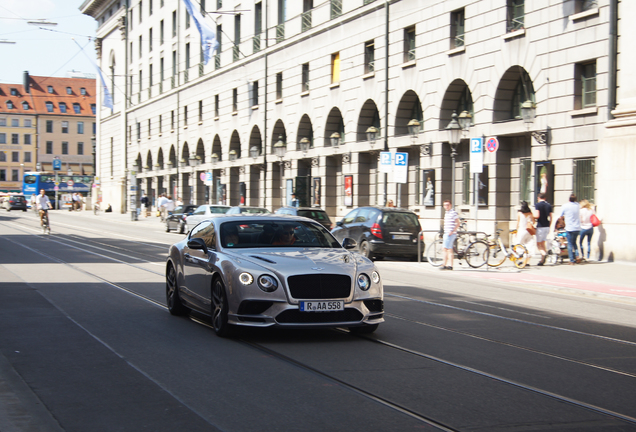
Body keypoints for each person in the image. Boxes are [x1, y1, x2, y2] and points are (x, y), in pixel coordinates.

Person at [559, 194, 582, 265]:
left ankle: (571, 260)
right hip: (577, 227)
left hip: (569, 227)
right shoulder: (578, 205)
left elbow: (561, 215)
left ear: (569, 199)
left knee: (569, 243)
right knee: (575, 243)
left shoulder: (565, 206)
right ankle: (577, 256)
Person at [534, 193, 553, 266]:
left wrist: (532, 217)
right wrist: (550, 225)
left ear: (538, 198)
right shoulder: (548, 205)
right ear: (545, 198)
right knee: (543, 243)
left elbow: (537, 215)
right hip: (547, 226)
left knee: (538, 244)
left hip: (540, 226)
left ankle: (544, 253)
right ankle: (542, 260)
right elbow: (551, 216)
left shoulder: (537, 205)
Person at [442, 199, 459, 270]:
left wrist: (452, 231)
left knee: (446, 249)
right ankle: (448, 265)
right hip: (447, 232)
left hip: (450, 233)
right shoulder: (447, 213)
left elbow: (458, 223)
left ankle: (446, 265)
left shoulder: (453, 213)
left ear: (450, 205)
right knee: (448, 249)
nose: (446, 206)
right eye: (445, 205)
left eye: (448, 205)